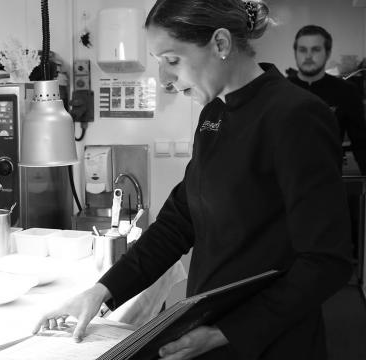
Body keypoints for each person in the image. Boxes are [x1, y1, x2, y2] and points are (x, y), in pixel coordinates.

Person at [35, 1, 353, 359]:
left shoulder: (295, 116)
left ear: (220, 44)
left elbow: (327, 262)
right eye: (159, 62)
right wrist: (101, 292)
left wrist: (223, 334)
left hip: (269, 340)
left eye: (172, 60)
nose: (164, 79)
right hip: (210, 327)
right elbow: (178, 222)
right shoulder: (213, 114)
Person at [289, 25, 366, 174]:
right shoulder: (279, 90)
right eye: (303, 50)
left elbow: (361, 142)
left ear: (328, 53)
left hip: (328, 182)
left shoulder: (347, 92)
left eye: (316, 50)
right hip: (284, 187)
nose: (308, 56)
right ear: (296, 52)